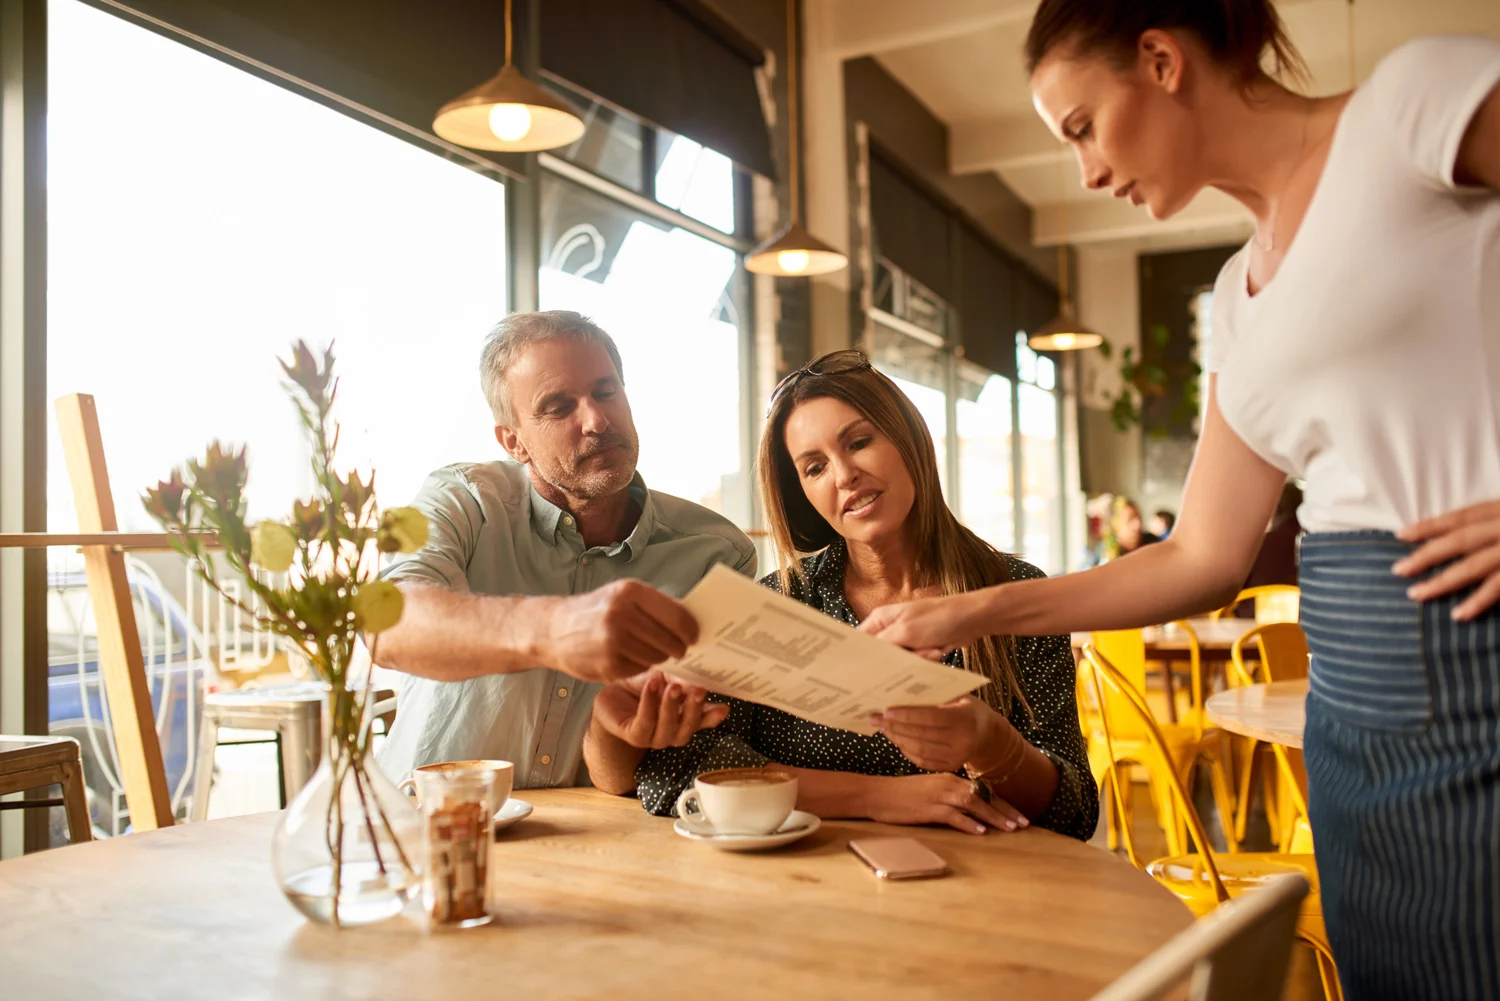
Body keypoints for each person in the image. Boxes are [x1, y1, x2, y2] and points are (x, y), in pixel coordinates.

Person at [859, 5, 1500, 997]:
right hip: (1356, 717)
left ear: (1160, 61)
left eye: (1080, 126)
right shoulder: (1238, 296)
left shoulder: (1410, 107)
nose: (1085, 171)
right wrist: (975, 607)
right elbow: (1200, 557)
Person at [586, 350, 1097, 840]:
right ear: (803, 494)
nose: (844, 475)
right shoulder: (780, 606)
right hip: (808, 890)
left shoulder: (1014, 594)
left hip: (983, 893)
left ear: (909, 438)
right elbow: (674, 773)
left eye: (858, 442)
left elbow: (1074, 813)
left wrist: (993, 745)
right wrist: (875, 797)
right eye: (814, 467)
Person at [373, 311, 753, 787]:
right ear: (514, 442)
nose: (596, 420)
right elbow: (388, 627)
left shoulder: (715, 554)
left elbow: (669, 753)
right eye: (557, 407)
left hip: (582, 841)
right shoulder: (465, 499)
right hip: (422, 823)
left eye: (606, 391)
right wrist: (555, 629)